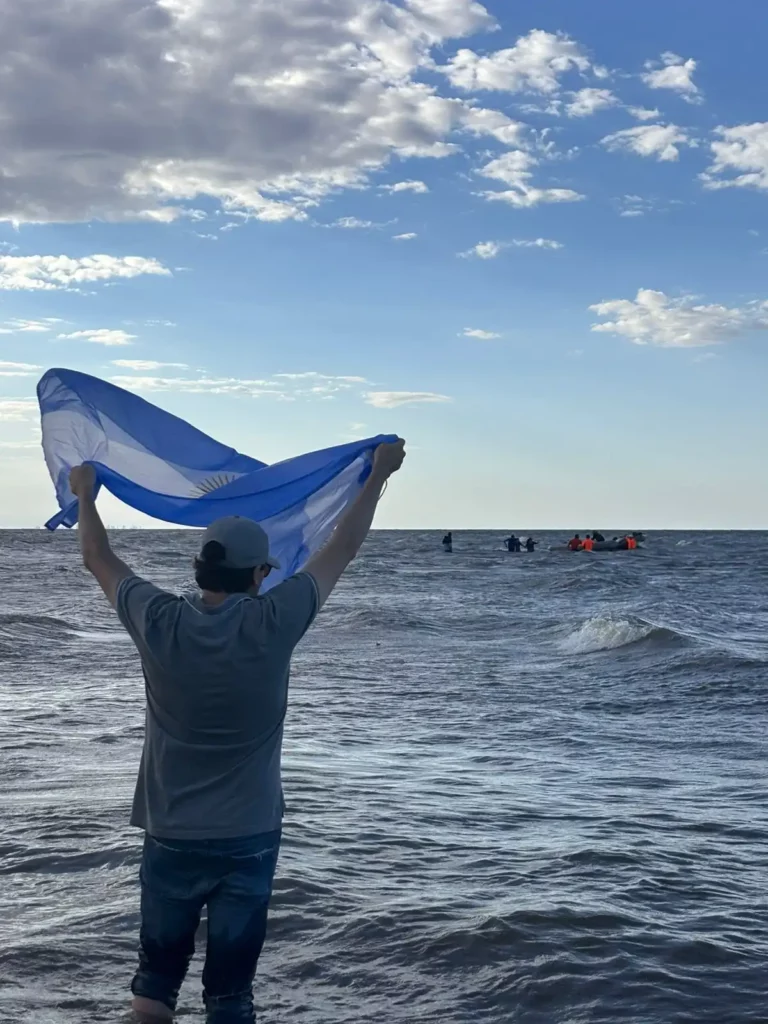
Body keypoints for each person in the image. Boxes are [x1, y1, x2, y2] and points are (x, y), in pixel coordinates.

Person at [67, 439, 407, 1024]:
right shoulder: (277, 620)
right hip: (250, 834)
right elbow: (343, 547)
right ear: (259, 575)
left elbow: (97, 556)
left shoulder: (158, 619)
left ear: (202, 566)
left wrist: (85, 497)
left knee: (151, 998)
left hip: (171, 829)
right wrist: (377, 476)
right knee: (229, 1000)